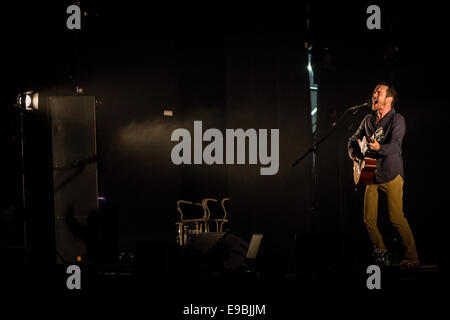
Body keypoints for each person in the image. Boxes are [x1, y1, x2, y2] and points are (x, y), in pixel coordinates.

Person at [348, 83, 419, 270]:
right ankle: (382, 255)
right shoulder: (368, 120)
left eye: (377, 93)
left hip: (391, 174)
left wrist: (380, 148)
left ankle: (413, 258)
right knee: (368, 219)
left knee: (396, 217)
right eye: (373, 92)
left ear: (388, 99)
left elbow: (396, 146)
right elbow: (352, 139)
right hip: (370, 174)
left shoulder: (397, 119)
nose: (373, 95)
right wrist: (354, 155)